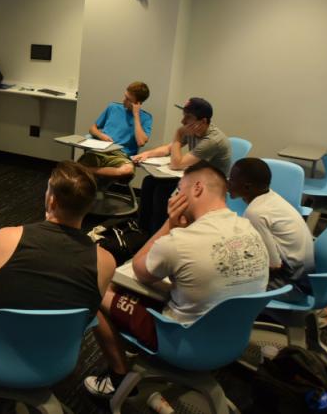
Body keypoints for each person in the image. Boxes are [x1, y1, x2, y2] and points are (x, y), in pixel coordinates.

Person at [85, 160, 269, 397]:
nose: (175, 196)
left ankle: (117, 378)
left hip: (182, 342)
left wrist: (170, 224)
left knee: (95, 288)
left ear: (197, 189)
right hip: (232, 341)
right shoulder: (250, 229)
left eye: (180, 189)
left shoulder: (181, 242)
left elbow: (139, 269)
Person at [0, 161, 116, 324]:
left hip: (0, 346)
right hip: (60, 348)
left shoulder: (4, 238)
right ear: (88, 206)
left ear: (52, 201)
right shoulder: (105, 262)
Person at [132, 97, 231, 235]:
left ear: (202, 121)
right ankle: (143, 229)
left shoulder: (212, 140)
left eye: (188, 117)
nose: (183, 121)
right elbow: (169, 149)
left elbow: (176, 164)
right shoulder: (193, 130)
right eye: (184, 116)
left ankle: (156, 234)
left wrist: (178, 135)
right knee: (149, 182)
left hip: (211, 186)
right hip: (197, 176)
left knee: (163, 190)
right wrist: (147, 154)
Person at [228, 158, 317, 303]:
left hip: (293, 283)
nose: (227, 183)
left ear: (247, 188)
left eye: (231, 180)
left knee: (225, 279)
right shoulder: (270, 197)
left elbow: (274, 265)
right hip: (306, 274)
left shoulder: (255, 212)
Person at [77, 81, 153, 180]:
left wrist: (136, 115)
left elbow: (141, 142)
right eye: (125, 96)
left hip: (120, 156)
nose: (124, 100)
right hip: (100, 151)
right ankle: (89, 173)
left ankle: (87, 170)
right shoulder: (113, 107)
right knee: (74, 173)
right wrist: (101, 136)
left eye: (128, 99)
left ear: (137, 103)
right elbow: (92, 129)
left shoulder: (146, 118)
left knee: (128, 170)